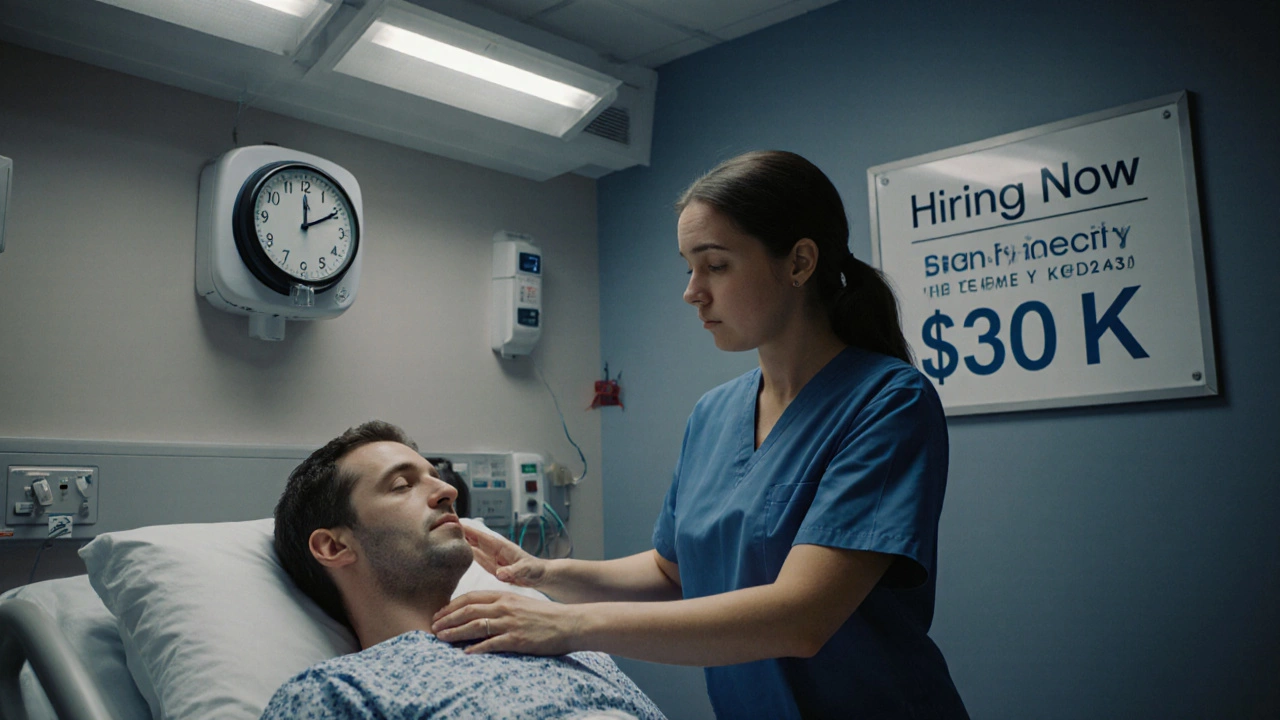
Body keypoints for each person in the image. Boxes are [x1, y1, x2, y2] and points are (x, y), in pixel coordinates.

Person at [431, 151, 969, 719]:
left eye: (715, 265)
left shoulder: (887, 402)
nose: (692, 291)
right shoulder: (715, 414)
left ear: (800, 262)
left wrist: (567, 625)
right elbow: (674, 571)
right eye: (688, 266)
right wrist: (543, 574)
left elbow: (801, 618)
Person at [265, 420, 666, 720]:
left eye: (435, 479)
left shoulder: (568, 645)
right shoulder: (336, 694)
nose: (449, 491)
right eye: (402, 485)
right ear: (334, 546)